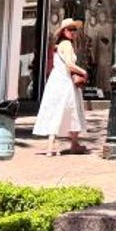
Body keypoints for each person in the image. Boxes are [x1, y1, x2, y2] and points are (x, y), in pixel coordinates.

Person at [33, 19, 88, 155]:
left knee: (57, 110)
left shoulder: (58, 45)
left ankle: (53, 146)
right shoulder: (67, 45)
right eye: (70, 29)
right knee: (72, 110)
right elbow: (69, 64)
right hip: (66, 82)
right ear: (64, 31)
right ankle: (71, 144)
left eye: (74, 30)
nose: (73, 32)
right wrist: (83, 72)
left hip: (56, 81)